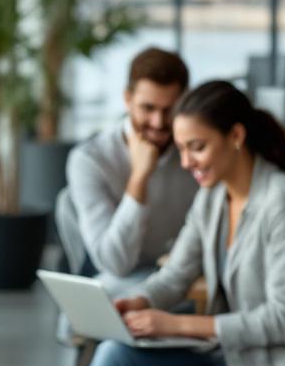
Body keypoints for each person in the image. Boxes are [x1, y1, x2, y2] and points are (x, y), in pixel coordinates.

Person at [58, 81, 285, 366]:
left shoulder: (282, 201)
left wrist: (176, 325)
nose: (186, 163)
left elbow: (284, 320)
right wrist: (139, 300)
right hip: (231, 353)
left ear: (235, 135)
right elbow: (175, 275)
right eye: (182, 149)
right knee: (114, 355)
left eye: (197, 148)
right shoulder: (214, 195)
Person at [65, 48, 197, 291]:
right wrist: (139, 177)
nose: (158, 123)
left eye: (169, 110)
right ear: (127, 99)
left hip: (178, 274)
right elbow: (115, 263)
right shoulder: (89, 160)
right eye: (148, 108)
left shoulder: (197, 153)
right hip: (114, 274)